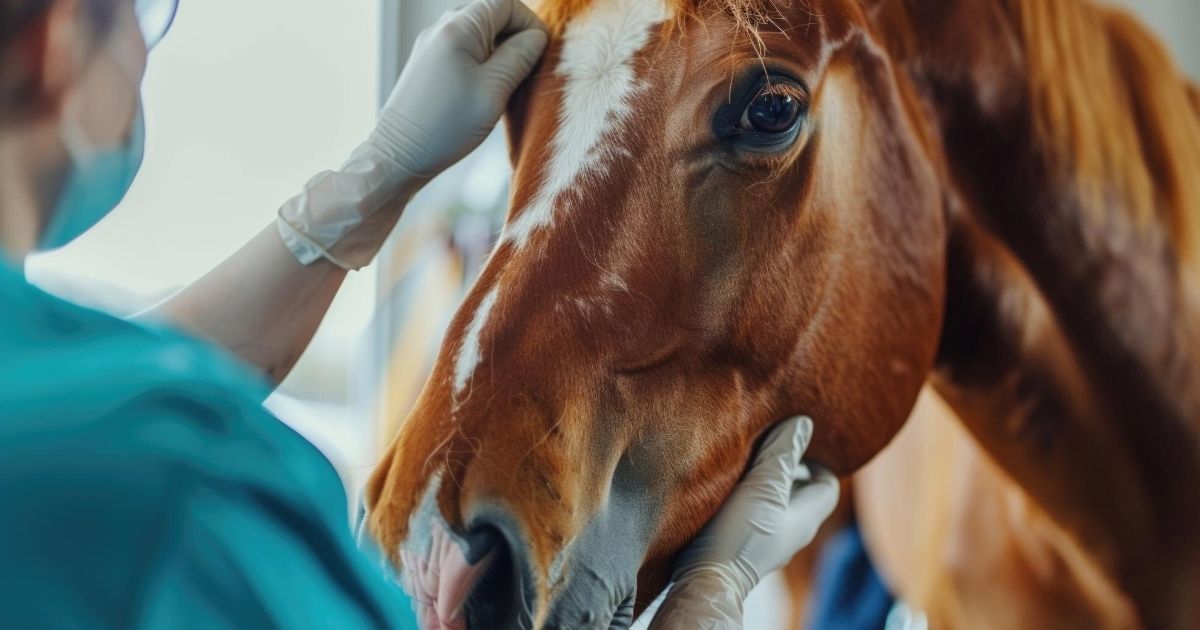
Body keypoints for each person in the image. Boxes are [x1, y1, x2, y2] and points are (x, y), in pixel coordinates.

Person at [0, 0, 840, 627]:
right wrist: (703, 606)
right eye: (149, 12)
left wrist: (361, 190)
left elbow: (61, 391)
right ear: (56, 41)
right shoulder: (187, 493)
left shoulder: (111, 437)